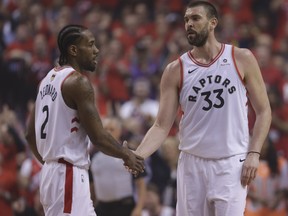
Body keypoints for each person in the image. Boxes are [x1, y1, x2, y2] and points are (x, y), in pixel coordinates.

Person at [134, 1, 272, 216]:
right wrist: (138, 155)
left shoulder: (241, 58)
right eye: (186, 20)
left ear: (212, 23)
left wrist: (254, 154)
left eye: (195, 18)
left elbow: (264, 111)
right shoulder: (174, 70)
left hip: (231, 162)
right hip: (192, 163)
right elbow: (161, 126)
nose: (189, 23)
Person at [25, 24, 144, 216]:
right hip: (68, 175)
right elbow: (98, 137)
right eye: (90, 44)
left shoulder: (46, 80)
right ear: (74, 50)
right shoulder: (78, 82)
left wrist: (51, 162)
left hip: (54, 174)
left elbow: (30, 134)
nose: (96, 50)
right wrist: (126, 154)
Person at [90, 116, 147, 216]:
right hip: (102, 207)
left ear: (119, 131)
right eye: (105, 129)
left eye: (111, 129)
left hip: (125, 206)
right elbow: (92, 184)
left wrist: (139, 207)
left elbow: (141, 183)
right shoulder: (93, 156)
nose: (108, 132)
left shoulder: (130, 153)